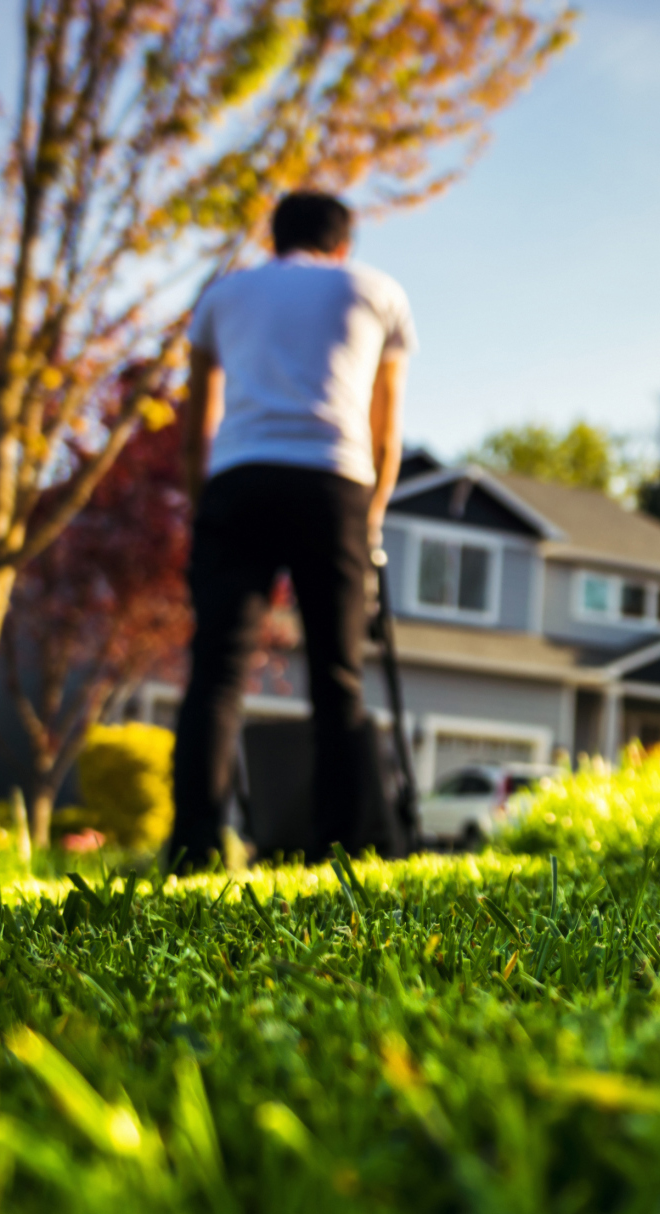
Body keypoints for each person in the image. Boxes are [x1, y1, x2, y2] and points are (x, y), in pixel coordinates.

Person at [171, 191, 415, 867]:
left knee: (216, 673)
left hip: (238, 480)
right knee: (338, 674)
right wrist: (368, 519)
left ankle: (192, 846)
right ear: (343, 244)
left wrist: (205, 504)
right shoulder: (375, 290)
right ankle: (334, 851)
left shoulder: (224, 295)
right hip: (333, 480)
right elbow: (385, 427)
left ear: (273, 239)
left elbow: (198, 423)